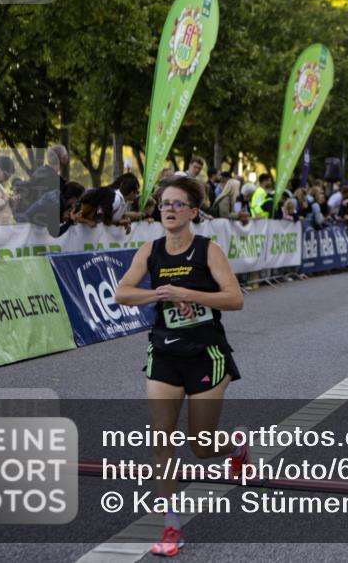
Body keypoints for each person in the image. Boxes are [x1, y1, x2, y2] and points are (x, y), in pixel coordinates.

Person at [115, 176, 247, 557]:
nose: (169, 209)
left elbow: (235, 299)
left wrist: (187, 293)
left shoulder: (208, 250)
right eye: (164, 204)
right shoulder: (151, 250)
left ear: (192, 211)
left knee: (201, 447)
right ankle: (171, 526)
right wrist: (160, 293)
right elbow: (123, 293)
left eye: (177, 204)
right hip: (165, 354)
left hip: (207, 353)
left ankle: (236, 446)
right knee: (161, 441)